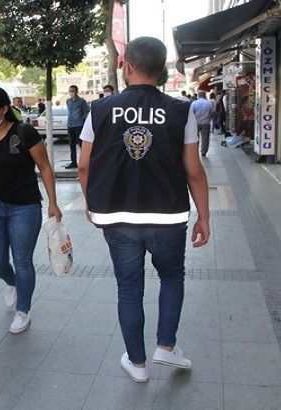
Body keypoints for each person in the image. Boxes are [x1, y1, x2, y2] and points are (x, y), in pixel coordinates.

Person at [78, 36, 210, 383]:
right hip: (168, 216)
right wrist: (204, 216)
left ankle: (137, 363)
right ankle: (166, 345)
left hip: (117, 216)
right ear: (161, 69)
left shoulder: (100, 109)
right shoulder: (181, 111)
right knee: (172, 276)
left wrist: (91, 203)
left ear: (128, 66)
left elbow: (84, 166)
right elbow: (194, 171)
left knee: (128, 288)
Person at [0, 86, 62, 334]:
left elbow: (44, 167)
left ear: (3, 109)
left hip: (24, 205)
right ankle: (12, 282)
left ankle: (23, 310)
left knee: (22, 260)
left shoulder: (24, 132)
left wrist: (53, 202)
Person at [65, 85, 90, 169]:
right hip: (70, 125)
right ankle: (73, 162)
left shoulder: (81, 101)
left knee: (81, 144)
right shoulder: (68, 101)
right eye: (70, 91)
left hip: (79, 125)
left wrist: (83, 121)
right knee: (71, 144)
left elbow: (86, 112)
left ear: (76, 91)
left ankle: (85, 161)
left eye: (72, 91)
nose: (71, 92)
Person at [191, 90, 215, 157]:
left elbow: (191, 113)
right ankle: (203, 152)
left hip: (196, 123)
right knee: (205, 138)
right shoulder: (208, 103)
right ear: (205, 96)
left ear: (198, 96)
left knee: (195, 138)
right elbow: (212, 112)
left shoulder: (194, 103)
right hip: (206, 123)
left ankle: (195, 151)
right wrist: (209, 118)